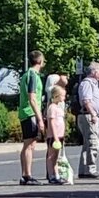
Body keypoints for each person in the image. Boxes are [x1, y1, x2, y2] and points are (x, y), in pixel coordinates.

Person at [18, 51, 46, 185]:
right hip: (30, 113)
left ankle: (24, 174)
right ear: (40, 61)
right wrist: (39, 118)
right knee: (30, 145)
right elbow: (32, 98)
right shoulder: (32, 76)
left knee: (27, 145)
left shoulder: (26, 75)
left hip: (25, 112)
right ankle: (27, 175)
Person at [76, 61, 99, 178]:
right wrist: (93, 114)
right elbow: (86, 100)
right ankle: (90, 169)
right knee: (93, 142)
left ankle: (84, 169)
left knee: (87, 144)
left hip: (90, 115)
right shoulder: (87, 83)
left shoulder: (92, 84)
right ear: (95, 72)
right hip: (89, 115)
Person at [44, 85, 68, 185]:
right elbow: (52, 123)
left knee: (56, 156)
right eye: (62, 95)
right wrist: (55, 137)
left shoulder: (58, 107)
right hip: (54, 136)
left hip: (60, 135)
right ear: (57, 96)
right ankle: (51, 175)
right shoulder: (52, 108)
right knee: (51, 156)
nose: (64, 98)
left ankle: (56, 174)